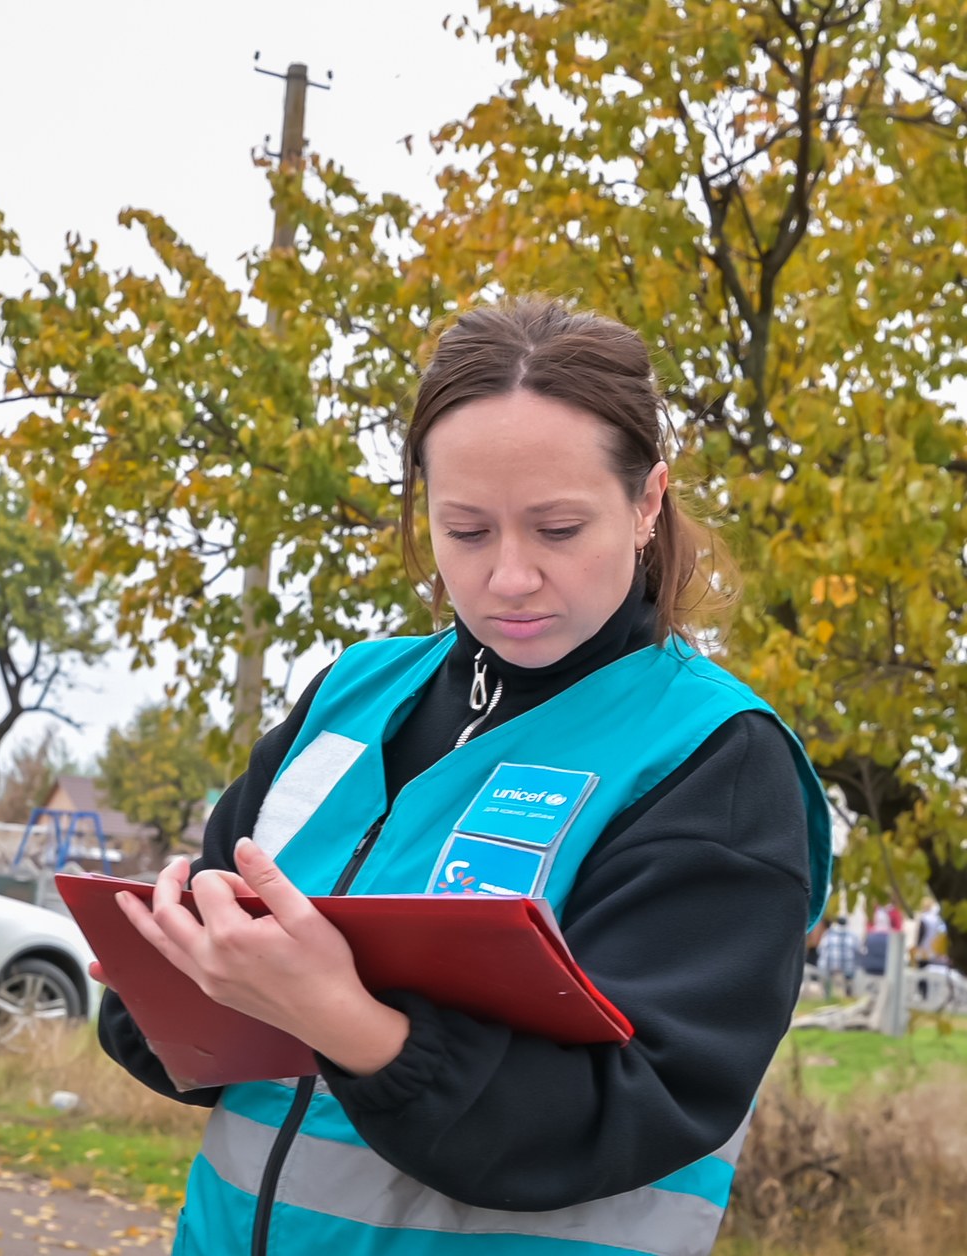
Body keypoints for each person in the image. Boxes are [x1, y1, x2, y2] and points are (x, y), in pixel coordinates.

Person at [95, 299, 832, 1256]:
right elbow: (209, 1014)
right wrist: (168, 987)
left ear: (648, 502)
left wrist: (349, 1024)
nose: (510, 577)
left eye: (559, 529)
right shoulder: (349, 697)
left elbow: (638, 1107)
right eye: (467, 531)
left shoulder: (713, 758)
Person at [817, 915, 861, 999]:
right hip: (848, 968)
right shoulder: (852, 935)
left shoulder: (828, 934)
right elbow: (858, 950)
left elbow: (820, 949)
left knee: (826, 977)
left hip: (829, 966)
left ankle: (827, 995)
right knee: (850, 977)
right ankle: (848, 994)